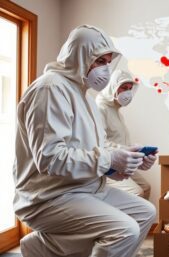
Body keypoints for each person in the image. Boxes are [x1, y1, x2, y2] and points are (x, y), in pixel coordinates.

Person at [13, 25, 157, 257]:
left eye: (108, 62)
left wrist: (127, 158)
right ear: (79, 56)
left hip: (84, 188)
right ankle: (45, 246)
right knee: (124, 230)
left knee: (145, 212)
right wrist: (110, 158)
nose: (106, 70)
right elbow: (50, 158)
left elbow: (95, 150)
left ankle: (44, 247)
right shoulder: (50, 89)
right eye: (100, 61)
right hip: (48, 197)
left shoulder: (84, 97)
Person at [96, 69, 152, 199]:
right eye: (124, 87)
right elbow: (100, 142)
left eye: (129, 88)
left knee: (146, 187)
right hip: (109, 165)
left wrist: (138, 152)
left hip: (123, 162)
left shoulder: (116, 110)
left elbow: (118, 139)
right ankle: (122, 218)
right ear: (113, 86)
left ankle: (137, 219)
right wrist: (127, 150)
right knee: (136, 192)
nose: (127, 92)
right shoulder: (100, 107)